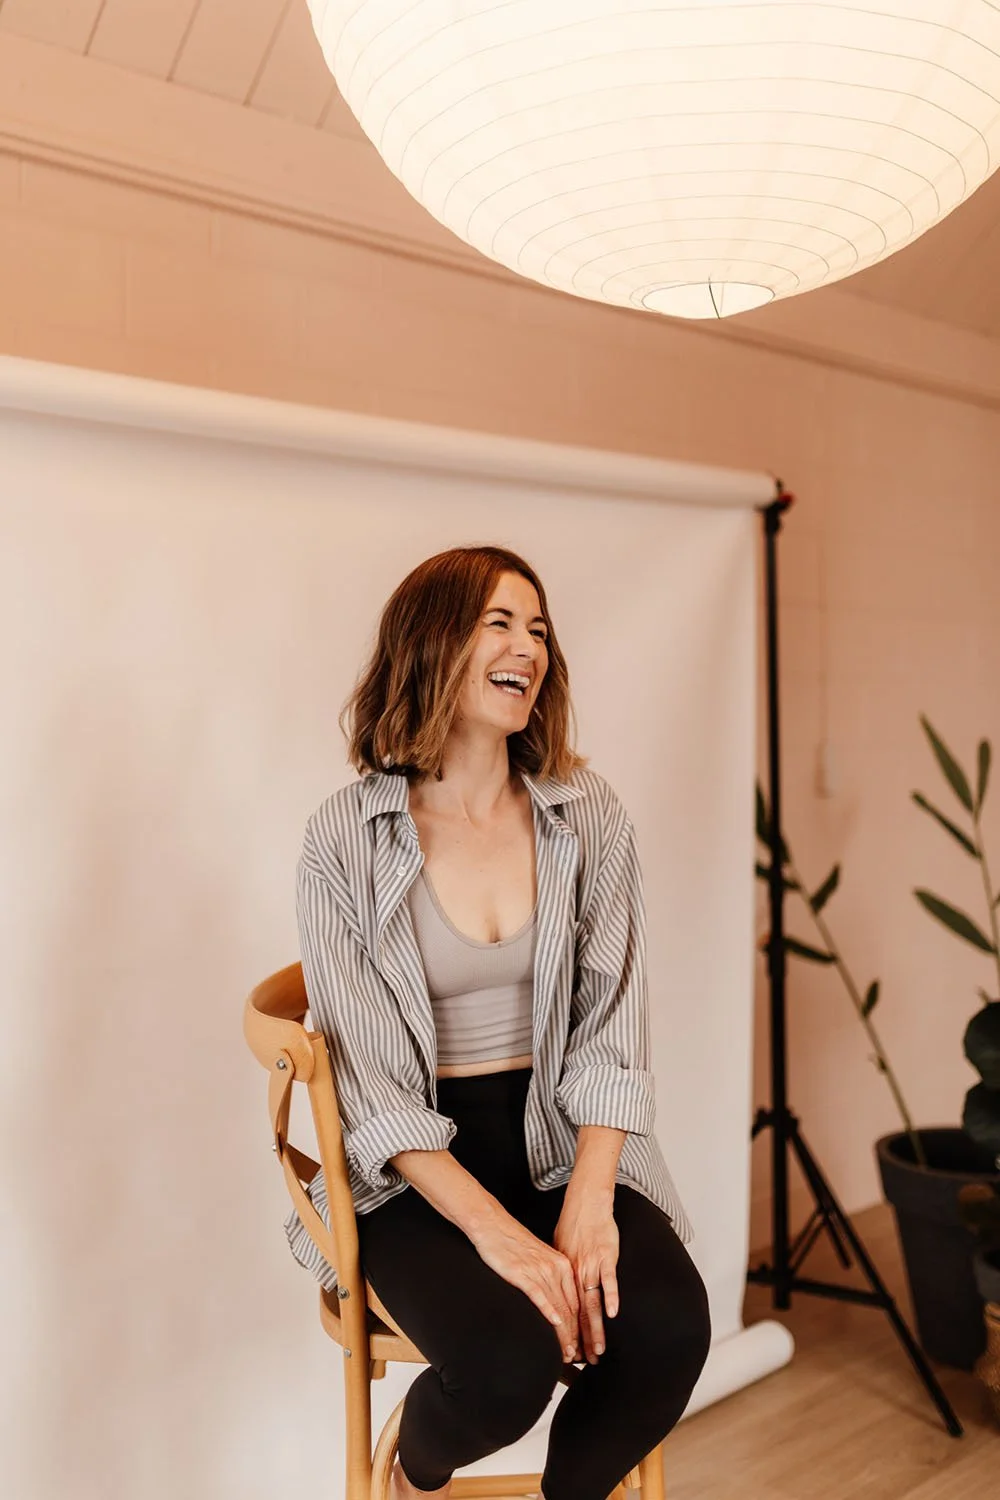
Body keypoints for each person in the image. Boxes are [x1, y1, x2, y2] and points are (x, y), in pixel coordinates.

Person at [293, 545, 711, 1500]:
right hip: (412, 1170)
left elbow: (614, 1025)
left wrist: (592, 1202)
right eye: (499, 622)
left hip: (560, 1140)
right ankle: (414, 1466)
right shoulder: (343, 837)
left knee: (668, 1329)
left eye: (539, 628)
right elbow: (369, 1088)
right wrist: (500, 1237)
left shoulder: (585, 815)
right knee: (508, 1365)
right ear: (432, 642)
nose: (529, 644)